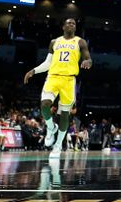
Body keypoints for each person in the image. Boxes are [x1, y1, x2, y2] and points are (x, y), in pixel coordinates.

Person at [23, 18, 92, 158]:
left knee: (65, 114)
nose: (71, 24)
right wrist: (33, 71)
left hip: (69, 79)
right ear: (63, 26)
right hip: (53, 77)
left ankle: (58, 145)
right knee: (44, 104)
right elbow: (48, 63)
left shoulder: (80, 42)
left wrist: (87, 61)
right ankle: (50, 127)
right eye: (68, 23)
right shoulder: (54, 42)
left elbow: (88, 58)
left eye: (74, 23)